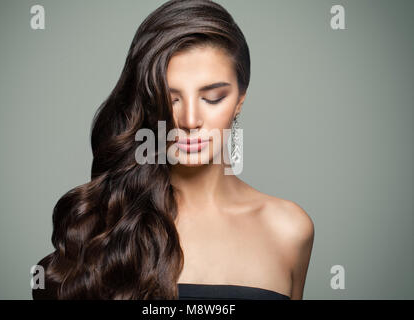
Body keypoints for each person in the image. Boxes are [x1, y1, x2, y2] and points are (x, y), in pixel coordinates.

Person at [32, 0, 314, 300]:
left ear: (240, 100)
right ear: (147, 102)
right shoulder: (107, 222)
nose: (190, 121)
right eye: (171, 98)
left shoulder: (289, 229)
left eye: (213, 97)